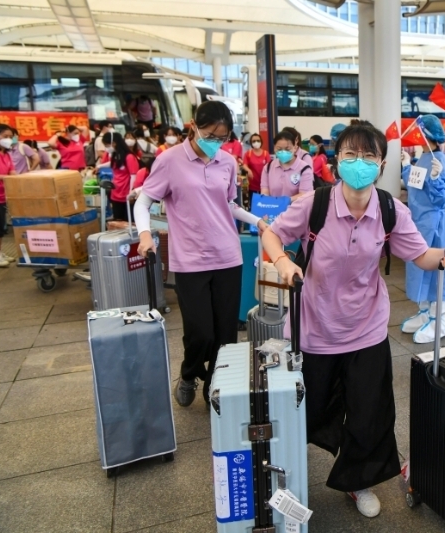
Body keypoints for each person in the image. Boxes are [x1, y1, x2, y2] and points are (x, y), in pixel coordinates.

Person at [261, 120, 445, 519]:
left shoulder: (390, 210)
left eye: (368, 156)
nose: (359, 163)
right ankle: (287, 474)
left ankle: (357, 481)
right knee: (308, 409)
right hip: (315, 327)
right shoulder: (315, 205)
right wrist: (283, 261)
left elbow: (419, 254)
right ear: (336, 161)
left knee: (368, 411)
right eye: (350, 154)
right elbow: (271, 234)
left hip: (366, 327)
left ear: (382, 164)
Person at [134, 101, 267, 407]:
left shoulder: (227, 162)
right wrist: (144, 234)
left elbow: (230, 205)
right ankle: (189, 373)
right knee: (200, 332)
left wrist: (258, 221)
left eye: (222, 138)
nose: (216, 143)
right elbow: (144, 201)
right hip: (190, 260)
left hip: (228, 257)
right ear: (194, 126)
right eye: (210, 135)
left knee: (225, 334)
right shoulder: (169, 160)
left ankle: (214, 386)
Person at [399, 115, 445, 343]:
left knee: (437, 271)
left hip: (435, 226)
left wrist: (436, 179)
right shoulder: (423, 158)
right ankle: (424, 312)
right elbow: (415, 185)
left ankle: (439, 318)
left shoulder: (440, 162)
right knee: (419, 268)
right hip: (419, 223)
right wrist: (406, 167)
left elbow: (442, 199)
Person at [260, 130, 314, 199]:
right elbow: (265, 191)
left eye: (287, 149)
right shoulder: (268, 167)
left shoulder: (304, 169)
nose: (283, 152)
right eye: (279, 149)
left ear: (295, 147)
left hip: (296, 206)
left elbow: (304, 195)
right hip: (273, 206)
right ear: (274, 148)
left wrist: (284, 202)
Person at [101, 131, 139, 222]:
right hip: (116, 193)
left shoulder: (129, 157)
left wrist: (131, 193)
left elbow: (133, 176)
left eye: (107, 145)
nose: (106, 148)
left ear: (114, 143)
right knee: (117, 222)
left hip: (126, 195)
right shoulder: (115, 155)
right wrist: (99, 166)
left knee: (128, 222)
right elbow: (112, 164)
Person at [0, 124, 17, 268]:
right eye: (5, 136)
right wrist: (7, 177)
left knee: (1, 227)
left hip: (2, 195)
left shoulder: (7, 154)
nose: (8, 139)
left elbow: (12, 171)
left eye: (10, 136)